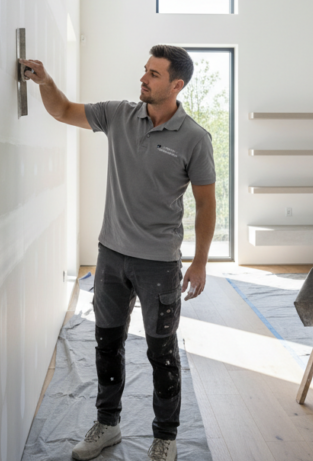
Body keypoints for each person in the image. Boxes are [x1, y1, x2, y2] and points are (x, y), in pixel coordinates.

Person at [21, 45, 216, 461]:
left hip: (160, 264)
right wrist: (45, 81)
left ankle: (165, 436)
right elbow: (63, 111)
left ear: (176, 85)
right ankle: (107, 426)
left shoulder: (195, 139)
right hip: (111, 256)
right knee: (106, 343)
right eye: (145, 71)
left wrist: (199, 262)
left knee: (161, 352)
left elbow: (206, 205)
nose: (143, 79)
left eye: (154, 74)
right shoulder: (119, 115)